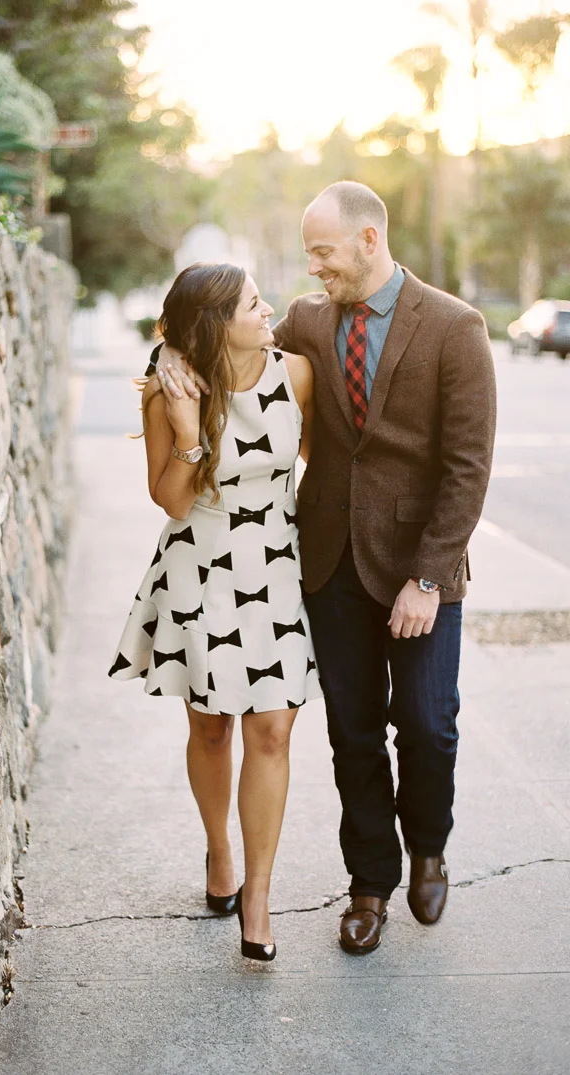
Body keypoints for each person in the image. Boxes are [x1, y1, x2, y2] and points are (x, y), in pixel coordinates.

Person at [152, 181, 497, 955]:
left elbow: (468, 467)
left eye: (322, 252)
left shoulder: (455, 327)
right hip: (328, 561)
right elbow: (214, 330)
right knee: (353, 732)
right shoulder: (309, 320)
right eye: (309, 254)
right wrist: (171, 349)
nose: (312, 269)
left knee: (430, 724)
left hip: (420, 568)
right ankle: (368, 886)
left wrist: (430, 577)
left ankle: (429, 847)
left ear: (369, 241)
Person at [109, 262, 320, 961]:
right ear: (214, 323)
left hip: (278, 566)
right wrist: (188, 429)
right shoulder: (172, 389)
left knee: (272, 729)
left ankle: (257, 893)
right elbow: (170, 499)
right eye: (254, 305)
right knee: (211, 726)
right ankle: (219, 851)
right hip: (201, 563)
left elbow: (314, 462)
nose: (269, 313)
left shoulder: (297, 375)